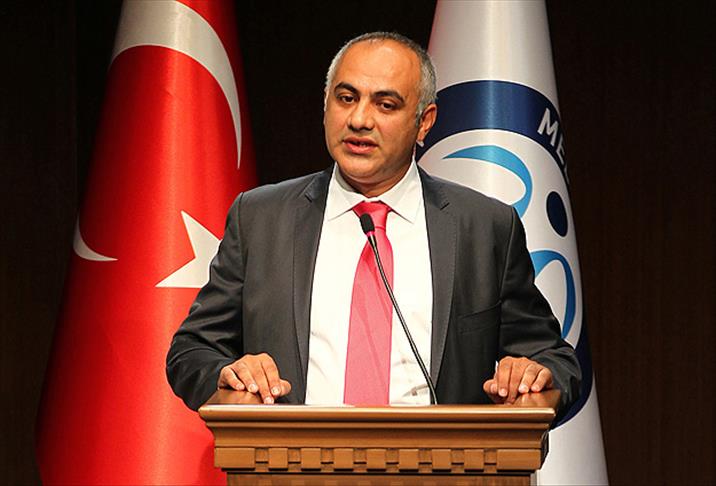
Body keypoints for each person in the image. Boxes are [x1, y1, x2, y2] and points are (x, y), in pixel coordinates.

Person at [166, 32, 580, 419]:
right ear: (326, 104)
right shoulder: (260, 218)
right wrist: (229, 380)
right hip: (291, 461)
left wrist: (533, 378)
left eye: (385, 105)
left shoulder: (484, 228)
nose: (359, 119)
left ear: (424, 121)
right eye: (346, 98)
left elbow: (556, 361)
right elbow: (191, 350)